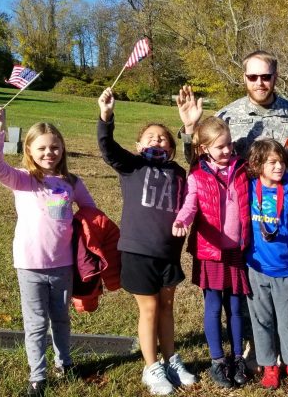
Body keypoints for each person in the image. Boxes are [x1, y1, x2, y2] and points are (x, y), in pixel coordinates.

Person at [0, 107, 96, 397]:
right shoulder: (24, 179)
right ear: (30, 151)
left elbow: (91, 212)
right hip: (30, 266)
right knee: (36, 324)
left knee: (61, 319)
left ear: (63, 149)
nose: (50, 152)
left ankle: (65, 364)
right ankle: (38, 377)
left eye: (55, 147)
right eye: (43, 148)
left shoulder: (72, 183)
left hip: (63, 266)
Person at [97, 88, 195, 396]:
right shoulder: (132, 166)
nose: (157, 140)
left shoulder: (179, 173)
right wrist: (106, 117)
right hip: (138, 251)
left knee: (167, 306)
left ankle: (171, 361)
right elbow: (107, 147)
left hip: (169, 253)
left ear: (172, 148)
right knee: (150, 307)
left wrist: (189, 127)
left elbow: (198, 164)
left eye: (164, 137)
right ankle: (151, 368)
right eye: (150, 137)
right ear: (139, 145)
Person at [172, 116, 251, 389]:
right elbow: (190, 205)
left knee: (237, 308)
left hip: (236, 250)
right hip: (210, 252)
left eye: (229, 144)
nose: (227, 150)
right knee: (214, 306)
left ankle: (238, 358)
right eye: (220, 147)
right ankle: (217, 361)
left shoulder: (242, 169)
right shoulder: (197, 176)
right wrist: (182, 220)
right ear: (205, 148)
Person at [176, 50, 288, 171]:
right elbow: (196, 161)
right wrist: (190, 128)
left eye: (265, 76)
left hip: (280, 203)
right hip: (238, 203)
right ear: (244, 78)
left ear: (276, 77)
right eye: (252, 77)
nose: (259, 82)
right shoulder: (226, 116)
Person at [244, 139, 288, 390]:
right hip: (254, 267)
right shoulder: (248, 187)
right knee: (261, 320)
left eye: (282, 162)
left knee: (286, 321)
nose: (279, 167)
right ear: (257, 164)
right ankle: (268, 364)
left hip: (283, 269)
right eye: (272, 162)